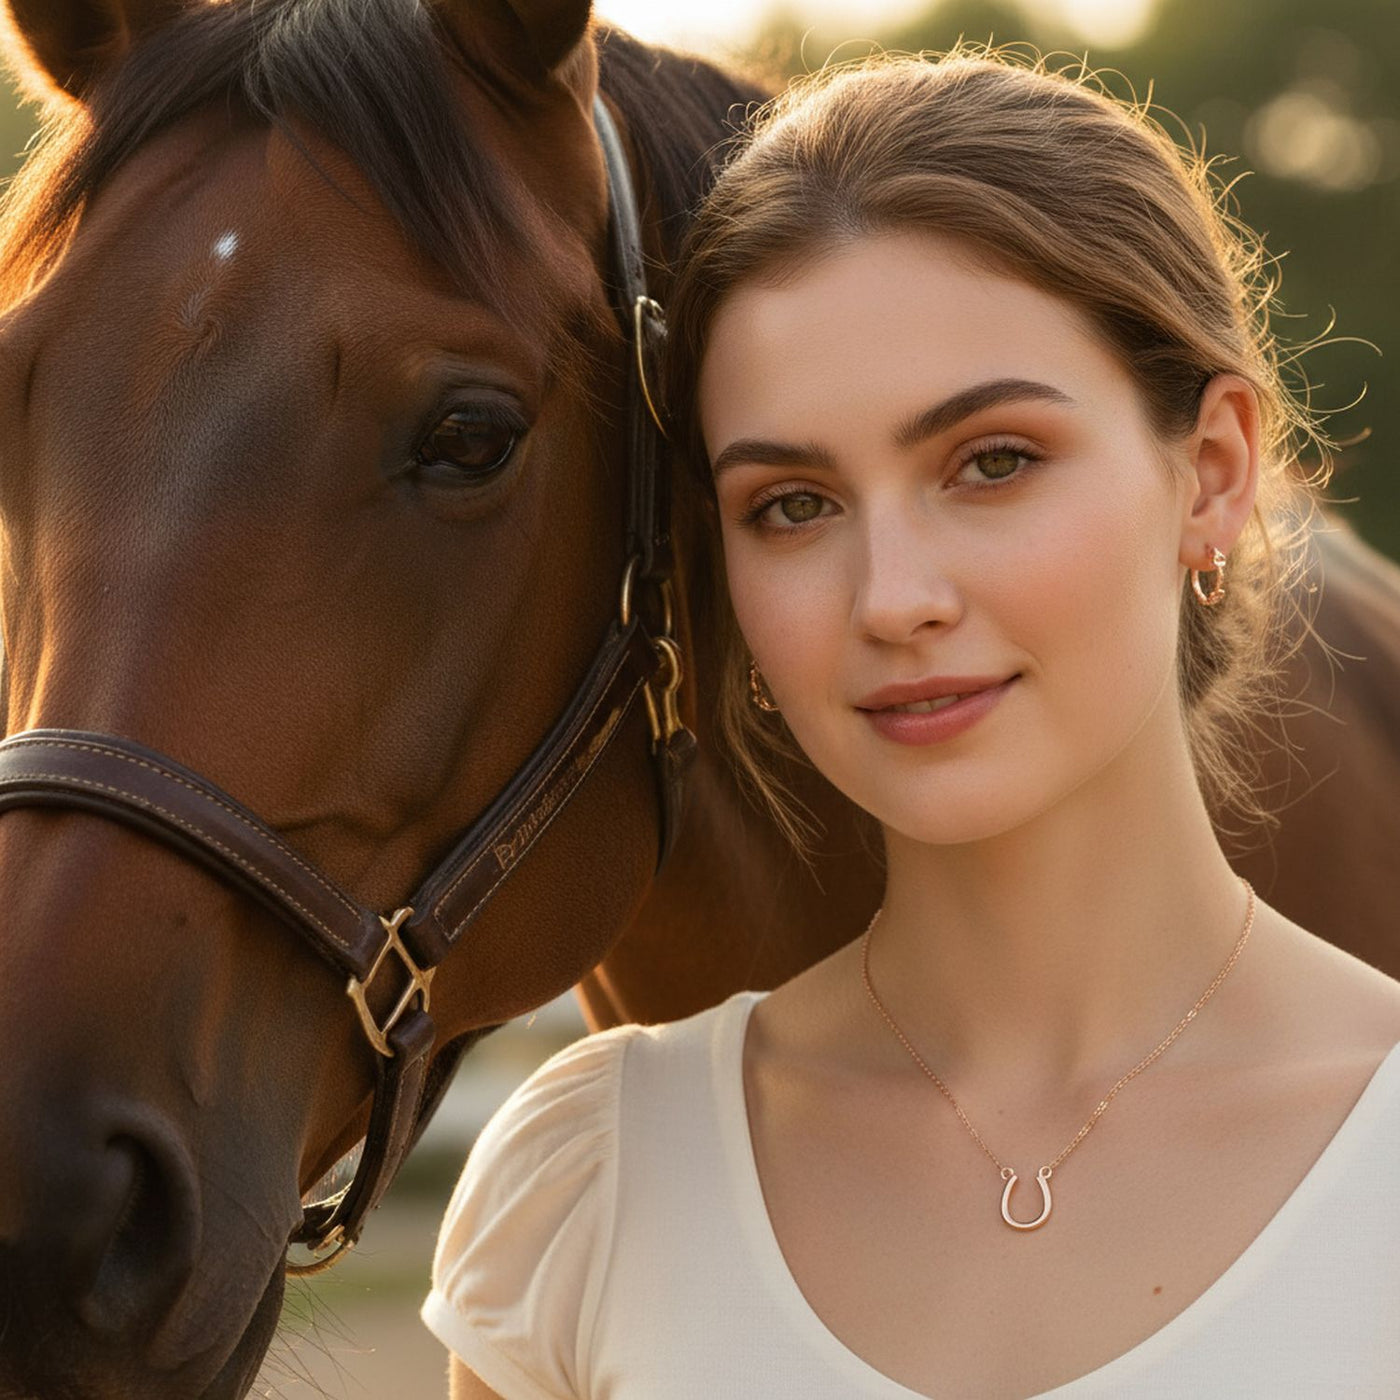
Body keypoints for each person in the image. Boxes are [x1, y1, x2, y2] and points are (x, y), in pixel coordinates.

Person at [421, 47, 1400, 1399]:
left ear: (1213, 472)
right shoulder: (598, 1187)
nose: (892, 600)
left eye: (992, 462)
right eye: (793, 505)